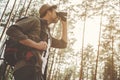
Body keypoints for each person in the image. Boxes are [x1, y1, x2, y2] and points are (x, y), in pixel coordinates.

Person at [6, 4, 67, 80]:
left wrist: (64, 24)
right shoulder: (35, 21)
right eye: (55, 12)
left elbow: (63, 44)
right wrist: (36, 45)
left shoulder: (47, 34)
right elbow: (12, 30)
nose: (57, 14)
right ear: (49, 12)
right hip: (26, 68)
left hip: (38, 71)